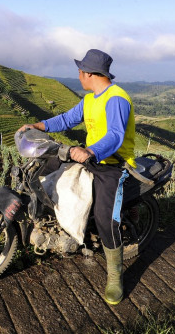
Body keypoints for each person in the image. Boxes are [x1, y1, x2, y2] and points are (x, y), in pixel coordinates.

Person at [18, 48, 135, 306]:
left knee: (106, 219)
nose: (79, 75)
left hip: (112, 165)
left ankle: (115, 276)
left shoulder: (117, 98)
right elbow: (68, 119)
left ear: (89, 73)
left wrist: (90, 150)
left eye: (80, 71)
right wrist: (39, 126)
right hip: (90, 158)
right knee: (50, 175)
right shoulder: (92, 98)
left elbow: (115, 136)